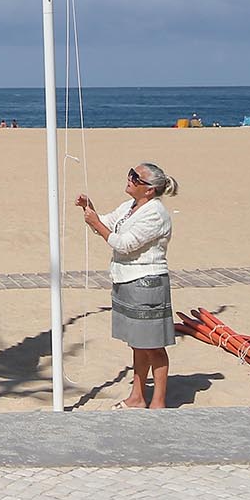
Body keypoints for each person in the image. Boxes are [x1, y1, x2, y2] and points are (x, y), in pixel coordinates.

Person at [76, 162, 180, 408]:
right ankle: (137, 396)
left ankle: (158, 401)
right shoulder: (129, 207)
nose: (129, 178)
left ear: (150, 189)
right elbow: (107, 224)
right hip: (125, 280)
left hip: (147, 283)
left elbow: (124, 243)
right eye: (131, 173)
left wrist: (97, 224)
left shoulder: (155, 213)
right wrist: (90, 210)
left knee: (153, 346)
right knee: (138, 344)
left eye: (136, 177)